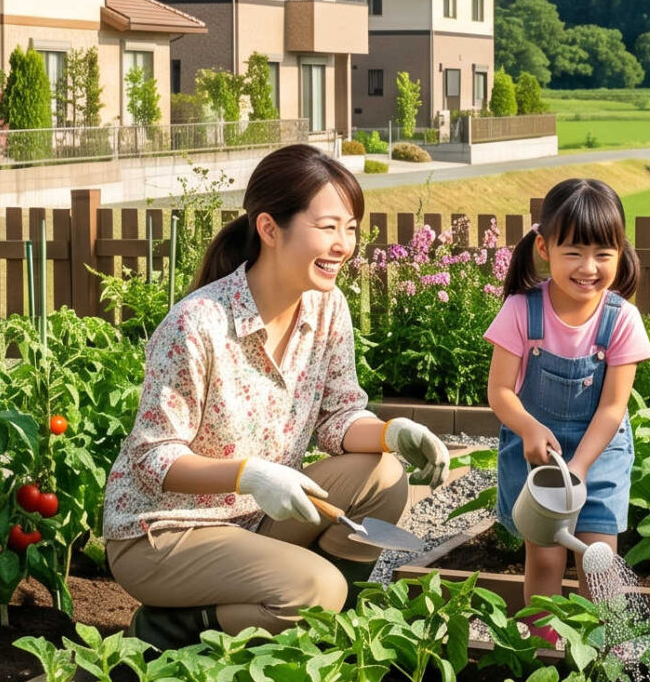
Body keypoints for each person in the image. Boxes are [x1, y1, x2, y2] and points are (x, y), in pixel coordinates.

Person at [103, 144, 452, 645]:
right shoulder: (198, 324)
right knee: (316, 589)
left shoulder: (328, 309)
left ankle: (319, 634)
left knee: (384, 477)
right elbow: (152, 458)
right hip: (165, 532)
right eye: (328, 227)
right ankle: (169, 627)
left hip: (256, 519)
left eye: (351, 228)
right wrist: (249, 475)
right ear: (269, 229)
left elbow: (338, 417)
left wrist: (393, 433)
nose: (343, 245)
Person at [485, 178, 650, 627]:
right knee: (545, 560)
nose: (588, 267)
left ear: (621, 252)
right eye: (574, 252)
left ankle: (605, 652)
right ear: (544, 248)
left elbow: (613, 408)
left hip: (599, 451)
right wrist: (528, 427)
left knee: (599, 560)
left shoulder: (622, 319)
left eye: (603, 254)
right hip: (537, 455)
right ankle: (543, 651)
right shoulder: (522, 310)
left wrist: (579, 467)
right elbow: (499, 391)